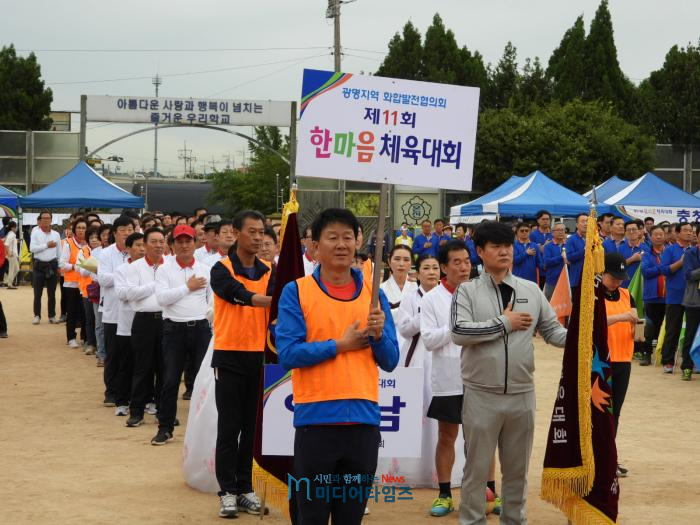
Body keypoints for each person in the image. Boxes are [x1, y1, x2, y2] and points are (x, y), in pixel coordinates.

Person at [276, 208, 399, 525]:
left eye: (348, 237)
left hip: (363, 424)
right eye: (332, 237)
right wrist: (339, 345)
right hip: (316, 424)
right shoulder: (296, 291)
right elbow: (287, 354)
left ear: (357, 242)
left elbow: (390, 360)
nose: (342, 244)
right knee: (311, 516)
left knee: (350, 516)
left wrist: (378, 336)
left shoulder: (374, 294)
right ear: (315, 246)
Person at [450, 220, 567, 524]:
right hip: (481, 394)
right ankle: (472, 520)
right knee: (476, 470)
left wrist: (585, 335)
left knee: (517, 471)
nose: (504, 252)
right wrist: (505, 323)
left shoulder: (531, 290)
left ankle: (515, 520)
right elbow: (459, 332)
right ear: (480, 251)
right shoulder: (466, 291)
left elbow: (553, 332)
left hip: (521, 394)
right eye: (496, 246)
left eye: (508, 246)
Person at [209, 210, 275, 518]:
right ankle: (227, 491)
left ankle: (245, 488)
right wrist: (269, 300)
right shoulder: (221, 269)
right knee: (229, 427)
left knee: (251, 429)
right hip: (230, 355)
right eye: (252, 231)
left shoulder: (269, 269)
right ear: (236, 233)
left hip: (259, 357)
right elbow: (236, 294)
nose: (259, 237)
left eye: (262, 232)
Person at [421, 240, 472, 517]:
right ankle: (444, 494)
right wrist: (457, 327)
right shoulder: (431, 299)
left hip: (479, 378)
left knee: (482, 438)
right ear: (444, 267)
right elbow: (429, 340)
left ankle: (488, 490)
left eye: (467, 261)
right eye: (457, 262)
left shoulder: (480, 293)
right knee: (447, 436)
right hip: (448, 379)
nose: (464, 267)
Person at [153, 224, 212, 445]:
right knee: (170, 380)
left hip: (201, 329)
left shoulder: (205, 269)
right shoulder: (164, 269)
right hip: (174, 329)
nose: (185, 245)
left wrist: (209, 319)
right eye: (180, 241)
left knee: (203, 381)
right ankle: (165, 427)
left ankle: (203, 432)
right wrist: (188, 287)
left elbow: (212, 299)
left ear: (195, 243)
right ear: (172, 245)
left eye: (188, 241)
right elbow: (162, 299)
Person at [123, 228, 166, 427]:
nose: (158, 245)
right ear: (146, 244)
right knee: (142, 368)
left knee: (166, 369)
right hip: (144, 321)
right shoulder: (135, 267)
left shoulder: (171, 264)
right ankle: (137, 412)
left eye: (161, 241)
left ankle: (164, 412)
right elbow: (131, 294)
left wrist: (150, 288)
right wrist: (156, 285)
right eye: (154, 242)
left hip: (167, 320)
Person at [601, 251, 637, 477]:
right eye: (612, 277)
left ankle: (609, 458)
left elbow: (633, 319)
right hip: (601, 362)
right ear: (602, 273)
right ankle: (596, 459)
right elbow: (592, 323)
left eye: (620, 278)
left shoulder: (626, 294)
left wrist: (638, 329)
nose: (616, 282)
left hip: (623, 360)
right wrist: (621, 318)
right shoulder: (593, 294)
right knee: (600, 412)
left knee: (615, 412)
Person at [98, 215, 135, 406]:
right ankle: (111, 391)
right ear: (115, 233)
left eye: (130, 229)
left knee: (132, 354)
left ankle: (130, 392)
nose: (127, 233)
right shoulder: (106, 253)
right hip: (112, 311)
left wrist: (121, 278)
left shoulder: (138, 252)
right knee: (113, 354)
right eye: (123, 230)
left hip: (133, 311)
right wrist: (125, 275)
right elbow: (103, 279)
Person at [113, 232, 146, 416]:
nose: (142, 249)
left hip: (148, 324)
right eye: (138, 245)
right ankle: (122, 401)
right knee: (126, 365)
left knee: (147, 365)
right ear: (128, 249)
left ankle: (147, 400)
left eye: (144, 245)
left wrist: (135, 292)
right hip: (127, 324)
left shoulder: (153, 268)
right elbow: (122, 294)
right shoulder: (121, 270)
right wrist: (145, 291)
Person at [659, 223, 693, 373]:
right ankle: (668, 361)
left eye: (691, 231)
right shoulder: (670, 250)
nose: (689, 233)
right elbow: (664, 270)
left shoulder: (695, 250)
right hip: (675, 296)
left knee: (692, 331)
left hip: (693, 296)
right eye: (685, 230)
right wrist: (681, 262)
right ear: (677, 233)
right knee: (672, 329)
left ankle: (690, 362)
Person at [380, 245, 417, 350]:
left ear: (411, 263)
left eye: (406, 260)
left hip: (412, 343)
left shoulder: (416, 288)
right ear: (389, 261)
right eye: (397, 259)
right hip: (389, 342)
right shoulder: (381, 289)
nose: (401, 264)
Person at [640, 225, 666, 367]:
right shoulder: (646, 254)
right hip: (651, 296)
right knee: (649, 326)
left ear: (665, 236)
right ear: (650, 236)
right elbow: (646, 272)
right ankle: (647, 354)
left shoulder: (669, 252)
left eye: (661, 234)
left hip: (668, 297)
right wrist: (664, 268)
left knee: (667, 326)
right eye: (655, 234)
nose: (658, 236)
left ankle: (665, 355)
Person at [60, 218, 88, 348]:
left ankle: (84, 337)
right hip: (71, 284)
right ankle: (71, 337)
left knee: (85, 312)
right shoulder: (68, 243)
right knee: (71, 311)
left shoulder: (89, 244)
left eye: (84, 228)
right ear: (74, 230)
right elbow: (62, 264)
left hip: (86, 284)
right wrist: (74, 267)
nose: (81, 230)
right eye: (79, 228)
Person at [30, 211, 62, 324]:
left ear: (51, 220)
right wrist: (46, 245)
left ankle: (51, 316)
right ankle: (37, 315)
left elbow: (59, 251)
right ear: (40, 220)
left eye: (48, 218)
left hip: (52, 265)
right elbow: (32, 249)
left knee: (52, 293)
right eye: (44, 218)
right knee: (37, 293)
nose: (46, 220)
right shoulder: (35, 233)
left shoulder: (56, 234)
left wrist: (59, 266)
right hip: (39, 266)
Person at [680, 223, 700, 381]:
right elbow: (688, 275)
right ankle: (687, 366)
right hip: (694, 300)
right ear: (697, 236)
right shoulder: (690, 253)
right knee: (691, 333)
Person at [542, 222, 567, 301]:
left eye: (562, 230)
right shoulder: (548, 246)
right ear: (552, 232)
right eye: (558, 230)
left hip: (565, 280)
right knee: (549, 302)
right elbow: (546, 262)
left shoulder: (568, 245)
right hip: (552, 281)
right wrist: (560, 257)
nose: (560, 232)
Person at [619, 220, 645, 288]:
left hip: (640, 287)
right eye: (628, 230)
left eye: (634, 229)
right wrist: (632, 259)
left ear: (639, 231)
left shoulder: (646, 248)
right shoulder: (620, 248)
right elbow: (620, 267)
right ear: (625, 233)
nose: (631, 232)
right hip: (624, 285)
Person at [564, 213, 587, 288]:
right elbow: (569, 257)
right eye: (583, 221)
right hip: (577, 280)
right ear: (577, 225)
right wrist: (584, 251)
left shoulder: (594, 239)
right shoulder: (571, 239)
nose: (585, 224)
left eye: (587, 221)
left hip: (591, 280)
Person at [3, 221, 18, 289]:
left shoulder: (10, 234)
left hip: (12, 253)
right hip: (12, 254)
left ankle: (7, 281)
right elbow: (6, 244)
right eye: (15, 227)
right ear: (12, 228)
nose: (16, 228)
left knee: (16, 269)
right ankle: (9, 283)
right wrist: (9, 253)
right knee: (13, 269)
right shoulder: (11, 235)